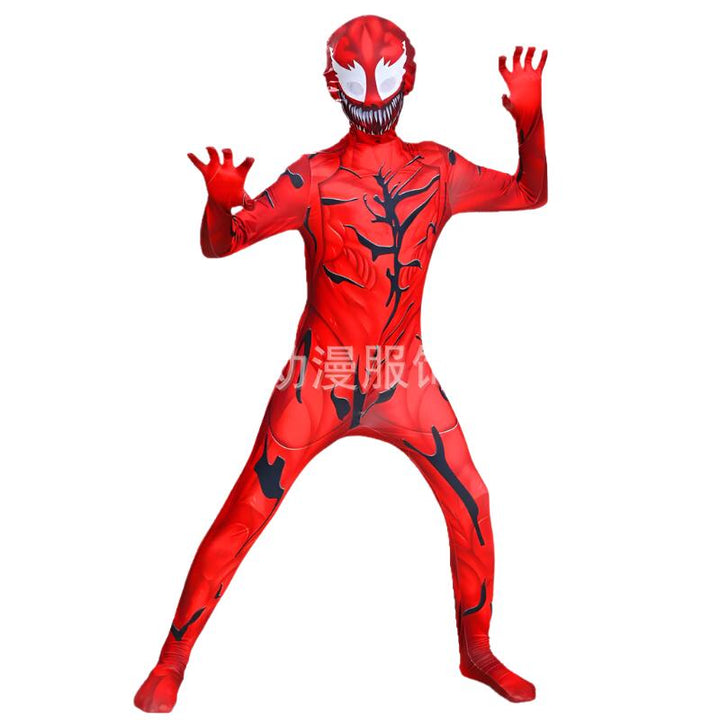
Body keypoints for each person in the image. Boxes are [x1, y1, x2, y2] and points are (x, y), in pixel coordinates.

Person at [135, 14, 547, 712]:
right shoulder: (313, 178)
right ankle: (171, 660)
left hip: (401, 376)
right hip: (318, 379)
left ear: (409, 75)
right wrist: (217, 205)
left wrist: (531, 124)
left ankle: (476, 651)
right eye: (356, 75)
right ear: (334, 84)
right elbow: (222, 244)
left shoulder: (438, 171)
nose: (373, 93)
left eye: (385, 73)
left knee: (471, 501)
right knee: (246, 509)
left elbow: (530, 193)